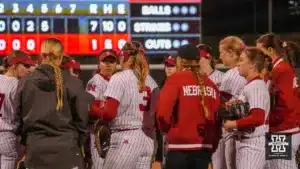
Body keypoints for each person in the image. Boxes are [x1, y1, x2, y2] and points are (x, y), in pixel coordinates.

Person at [15, 38, 94, 169]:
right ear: (61, 56)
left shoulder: (25, 82)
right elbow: (82, 122)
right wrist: (76, 143)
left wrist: (29, 141)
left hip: (36, 150)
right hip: (66, 151)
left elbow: (18, 121)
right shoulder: (73, 82)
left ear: (41, 55)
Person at [90, 41, 160, 169]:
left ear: (124, 57)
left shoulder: (119, 78)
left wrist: (93, 108)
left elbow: (108, 115)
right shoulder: (151, 81)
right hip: (148, 140)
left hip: (126, 138)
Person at [156, 44, 221, 169]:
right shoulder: (210, 83)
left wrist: (169, 131)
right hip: (203, 148)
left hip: (179, 148)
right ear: (198, 61)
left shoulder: (175, 79)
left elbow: (162, 115)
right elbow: (217, 119)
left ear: (180, 61)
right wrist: (212, 143)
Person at [257, 34, 300, 169]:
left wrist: (269, 121)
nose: (259, 56)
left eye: (260, 52)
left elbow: (284, 104)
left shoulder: (281, 69)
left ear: (270, 50)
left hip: (283, 130)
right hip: (283, 128)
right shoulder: (280, 68)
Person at [224, 47, 270, 169]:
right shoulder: (251, 85)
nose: (238, 63)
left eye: (242, 60)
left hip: (253, 145)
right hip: (248, 142)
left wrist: (232, 124)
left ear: (252, 65)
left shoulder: (255, 86)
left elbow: (258, 118)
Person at [0, 50, 36, 169]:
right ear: (14, 65)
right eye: (25, 65)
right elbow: (24, 115)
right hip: (8, 136)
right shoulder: (18, 85)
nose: (29, 69)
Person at [219, 36, 247, 169]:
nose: (219, 57)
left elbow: (221, 106)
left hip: (239, 133)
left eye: (221, 53)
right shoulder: (260, 76)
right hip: (255, 131)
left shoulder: (233, 74)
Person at [87, 49, 118, 169]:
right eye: (105, 61)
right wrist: (108, 111)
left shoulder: (118, 81)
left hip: (115, 131)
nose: (109, 64)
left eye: (112, 61)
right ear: (99, 64)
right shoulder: (95, 81)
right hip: (99, 132)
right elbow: (90, 107)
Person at [196, 44, 225, 169]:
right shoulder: (194, 78)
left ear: (208, 58)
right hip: (200, 128)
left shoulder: (222, 77)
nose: (197, 61)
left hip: (218, 128)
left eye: (200, 58)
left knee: (219, 165)